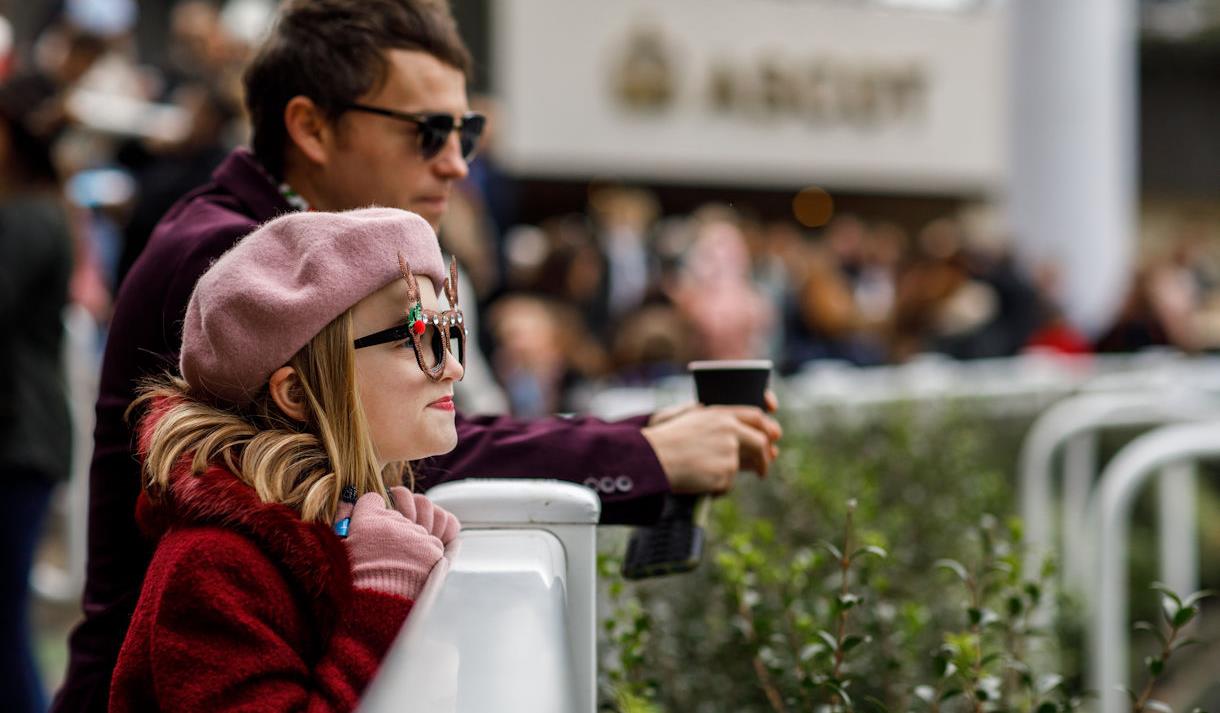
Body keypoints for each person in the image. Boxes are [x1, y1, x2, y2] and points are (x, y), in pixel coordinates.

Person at [54, 2, 782, 710]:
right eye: (428, 131)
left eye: (467, 130)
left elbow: (410, 432)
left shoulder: (284, 255)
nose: (458, 163)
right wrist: (647, 452)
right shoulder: (246, 272)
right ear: (310, 126)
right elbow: (401, 448)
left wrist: (644, 440)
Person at [108, 207, 463, 711]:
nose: (451, 366)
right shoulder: (213, 564)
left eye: (449, 331)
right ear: (296, 391)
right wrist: (384, 599)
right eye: (418, 336)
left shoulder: (336, 526)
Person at [0, 77, 75, 713]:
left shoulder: (27, 216)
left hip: (18, 442)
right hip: (23, 439)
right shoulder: (38, 210)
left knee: (2, 627)